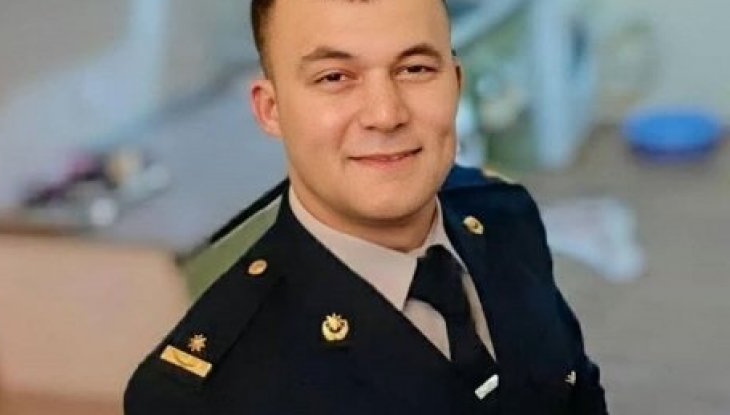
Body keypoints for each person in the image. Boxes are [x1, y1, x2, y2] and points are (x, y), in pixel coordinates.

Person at [124, 0, 607, 413]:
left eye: (415, 69)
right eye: (335, 77)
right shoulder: (204, 395)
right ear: (272, 110)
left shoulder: (506, 218)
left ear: (456, 82)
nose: (386, 114)